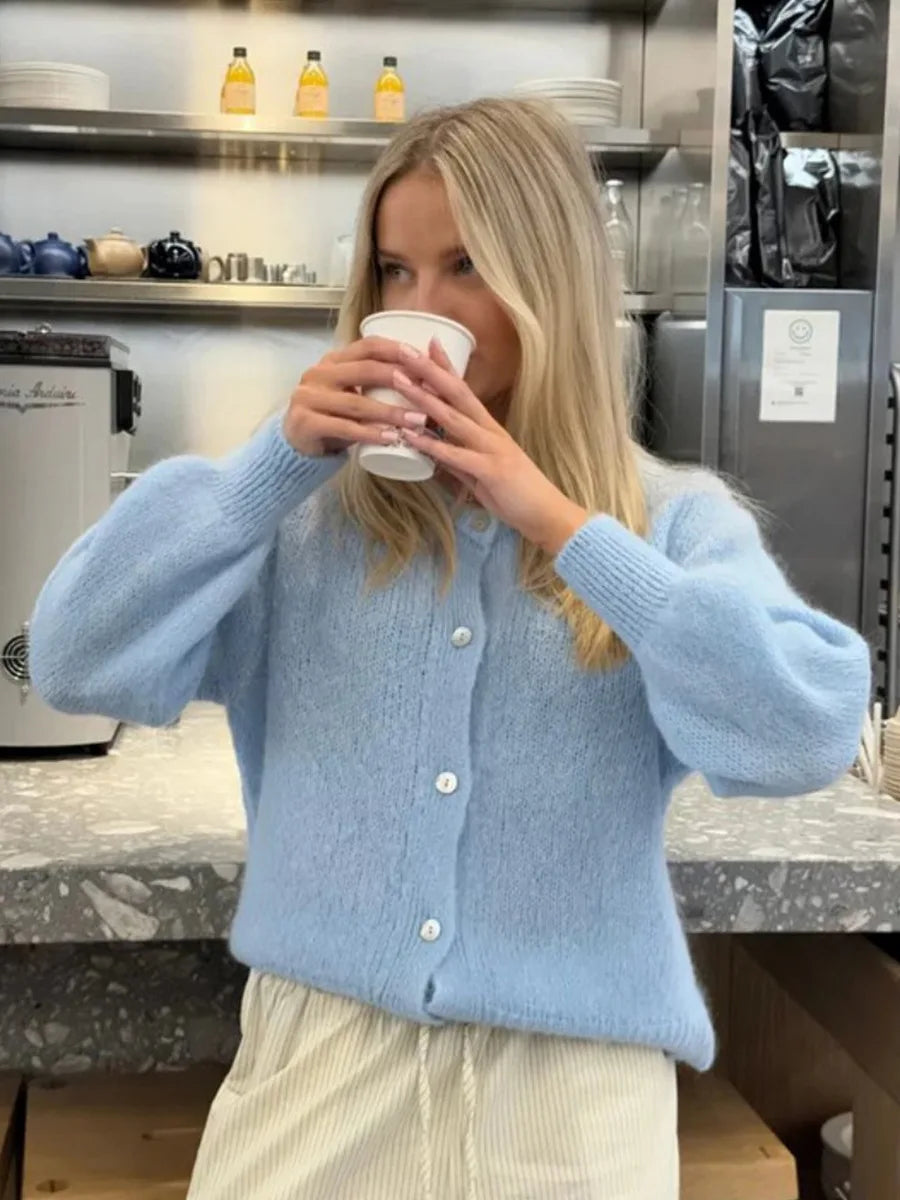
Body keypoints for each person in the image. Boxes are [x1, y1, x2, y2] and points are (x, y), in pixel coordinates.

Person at [29, 98, 869, 1200]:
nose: (420, 310)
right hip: (322, 1072)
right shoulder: (300, 521)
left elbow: (803, 730)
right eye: (393, 272)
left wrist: (565, 528)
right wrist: (272, 467)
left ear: (547, 281)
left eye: (465, 265)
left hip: (571, 1100)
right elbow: (75, 662)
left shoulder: (661, 523)